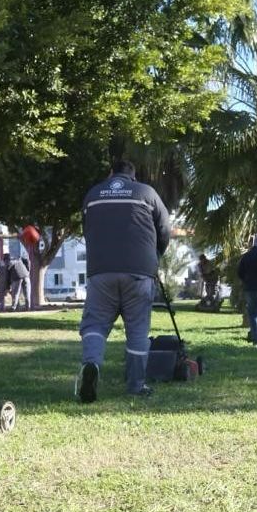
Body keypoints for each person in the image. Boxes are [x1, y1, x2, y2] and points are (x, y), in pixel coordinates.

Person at [75, 159, 170, 402]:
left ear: (111, 173)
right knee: (137, 330)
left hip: (101, 272)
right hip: (139, 272)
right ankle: (136, 386)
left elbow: (87, 230)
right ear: (133, 176)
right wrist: (155, 255)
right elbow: (164, 229)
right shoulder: (146, 193)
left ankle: (91, 365)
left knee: (95, 325)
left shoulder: (93, 195)